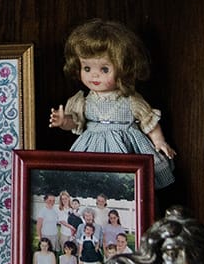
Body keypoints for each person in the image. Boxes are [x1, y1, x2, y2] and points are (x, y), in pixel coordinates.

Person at [47, 18, 176, 186]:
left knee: (130, 182)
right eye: (87, 68)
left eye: (104, 69)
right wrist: (64, 121)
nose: (94, 75)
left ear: (124, 68)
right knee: (88, 181)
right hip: (92, 147)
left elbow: (148, 121)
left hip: (126, 147)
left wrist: (159, 142)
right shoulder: (82, 101)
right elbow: (76, 123)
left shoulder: (130, 99)